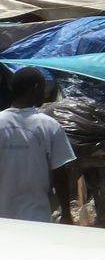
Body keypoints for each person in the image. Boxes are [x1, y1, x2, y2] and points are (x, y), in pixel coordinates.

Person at [0, 67, 78, 224]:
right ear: (35, 88)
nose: (45, 93)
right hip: (36, 217)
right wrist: (66, 214)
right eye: (43, 88)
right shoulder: (49, 126)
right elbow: (60, 175)